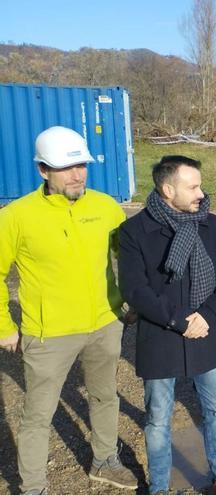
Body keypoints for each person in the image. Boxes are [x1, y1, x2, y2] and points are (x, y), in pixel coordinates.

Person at [0, 126, 138, 495]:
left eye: (82, 165)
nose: (78, 174)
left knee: (105, 395)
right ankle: (33, 488)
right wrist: (4, 325)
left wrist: (129, 301)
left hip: (104, 324)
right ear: (43, 170)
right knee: (37, 416)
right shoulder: (17, 216)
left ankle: (105, 460)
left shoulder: (106, 206)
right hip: (50, 334)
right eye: (67, 167)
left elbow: (130, 258)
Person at [117, 155, 216, 495]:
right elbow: (134, 288)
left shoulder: (209, 224)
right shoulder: (134, 231)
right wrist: (178, 320)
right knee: (158, 417)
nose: (201, 192)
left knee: (215, 410)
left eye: (200, 184)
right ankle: (159, 486)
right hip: (161, 335)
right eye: (193, 186)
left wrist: (209, 315)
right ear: (167, 189)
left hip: (205, 330)